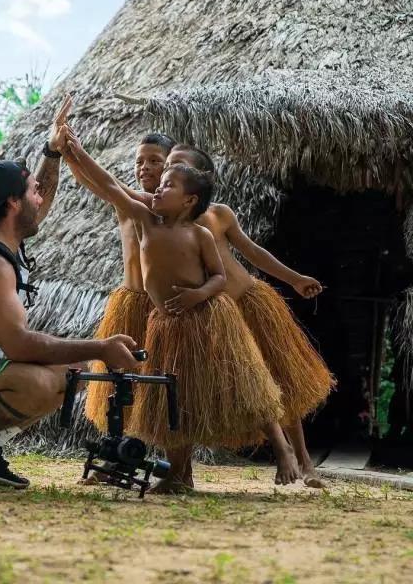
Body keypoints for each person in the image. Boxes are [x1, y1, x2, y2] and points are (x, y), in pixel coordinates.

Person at [0, 97, 139, 493]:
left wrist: (51, 151)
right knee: (38, 384)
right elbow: (19, 344)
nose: (41, 198)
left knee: (70, 374)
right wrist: (102, 346)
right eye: (32, 193)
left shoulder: (4, 238)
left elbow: (44, 192)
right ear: (15, 203)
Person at [63, 131, 288, 494]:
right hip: (164, 323)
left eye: (168, 184)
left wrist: (196, 296)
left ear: (189, 200)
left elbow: (218, 278)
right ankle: (175, 473)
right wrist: (74, 150)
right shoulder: (145, 218)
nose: (157, 187)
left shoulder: (200, 234)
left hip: (203, 319)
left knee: (228, 384)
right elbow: (108, 184)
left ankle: (281, 450)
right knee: (163, 398)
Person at [163, 144, 334, 488]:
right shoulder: (163, 224)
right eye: (168, 166)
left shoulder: (219, 215)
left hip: (250, 302)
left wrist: (294, 279)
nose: (170, 171)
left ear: (201, 182)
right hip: (215, 317)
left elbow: (254, 253)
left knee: (282, 378)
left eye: (178, 165)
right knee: (207, 385)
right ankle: (182, 472)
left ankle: (305, 462)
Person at [82, 133, 174, 434]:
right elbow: (96, 183)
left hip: (162, 307)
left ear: (171, 166)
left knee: (167, 381)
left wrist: (74, 151)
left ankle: (178, 468)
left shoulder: (176, 211)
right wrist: (67, 151)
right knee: (116, 380)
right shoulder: (126, 202)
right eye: (139, 161)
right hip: (129, 303)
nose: (144, 167)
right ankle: (112, 453)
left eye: (154, 161)